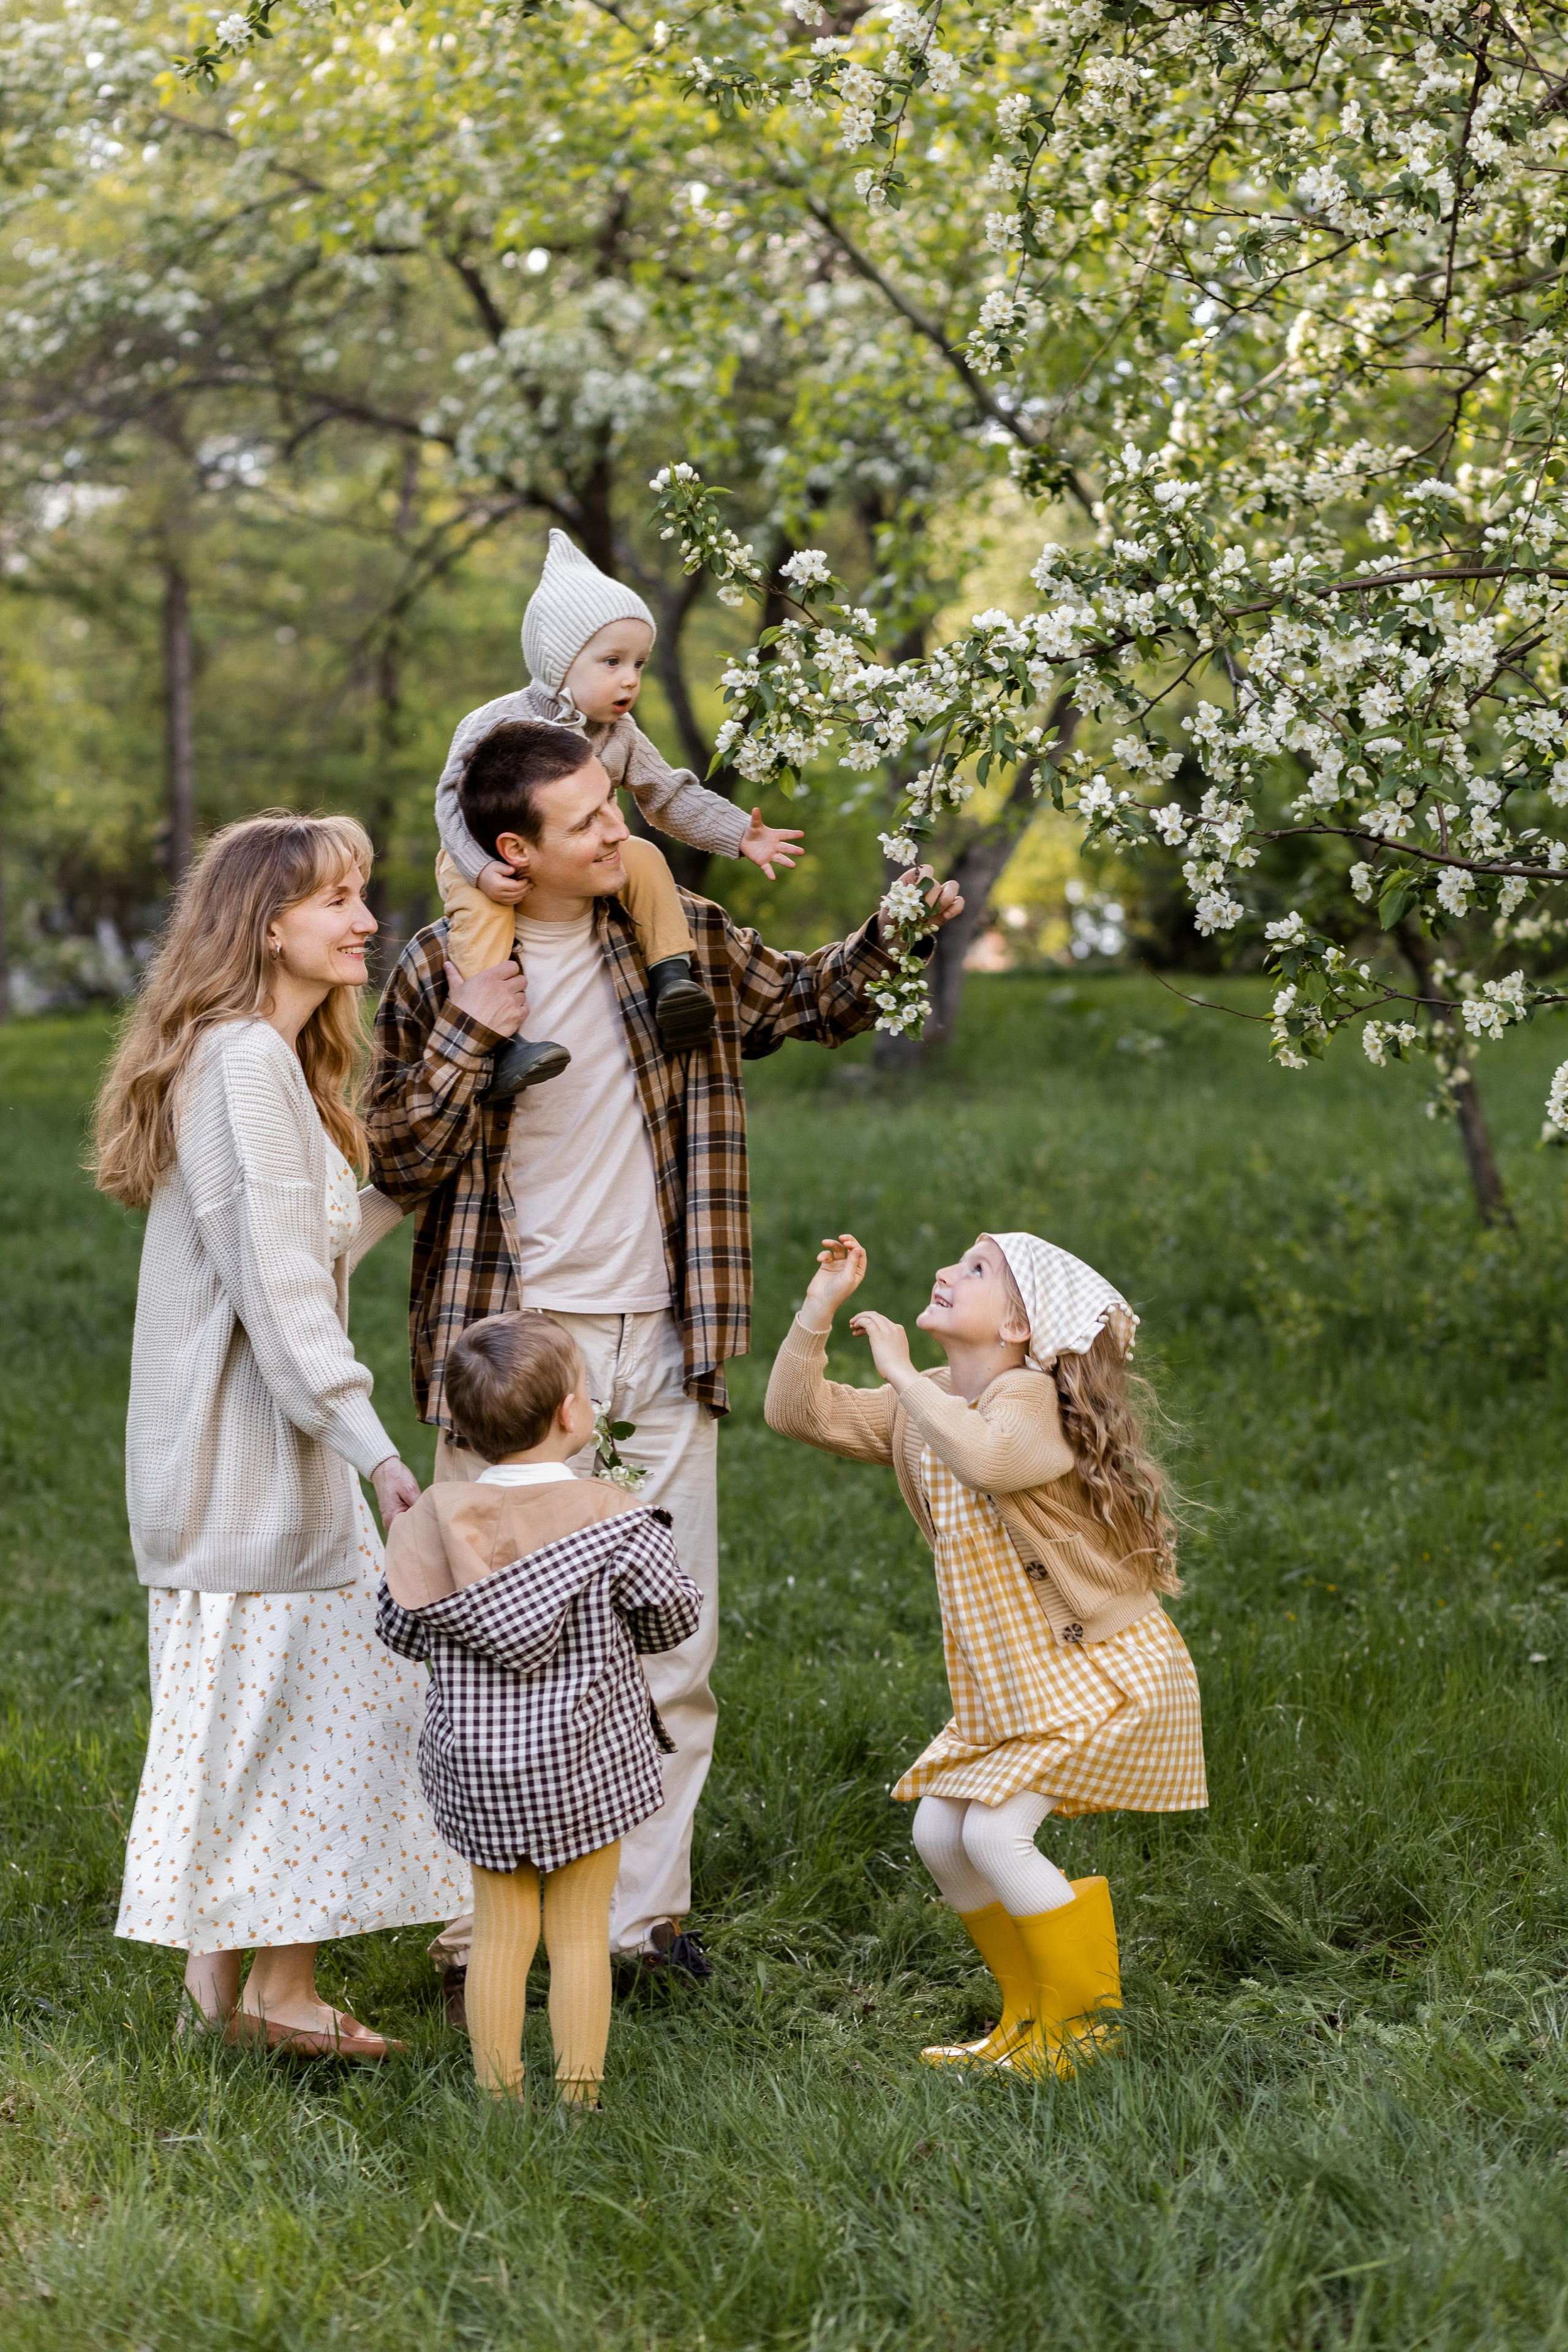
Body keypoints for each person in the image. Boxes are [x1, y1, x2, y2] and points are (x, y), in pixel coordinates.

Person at [367, 718, 963, 1993]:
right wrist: (471, 1030)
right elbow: (399, 1155)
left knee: (667, 1646)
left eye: (613, 804)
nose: (617, 830)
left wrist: (897, 928)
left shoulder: (671, 930)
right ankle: (480, 1937)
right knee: (483, 1650)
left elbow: (804, 998)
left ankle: (635, 1928)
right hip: (512, 1353)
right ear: (513, 851)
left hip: (663, 1339)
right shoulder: (437, 966)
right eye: (587, 820)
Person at [96, 812, 469, 2057]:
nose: (367, 920)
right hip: (258, 1466)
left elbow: (298, 1250)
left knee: (246, 1727)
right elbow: (286, 1297)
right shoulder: (246, 1062)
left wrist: (415, 1171)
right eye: (338, 901)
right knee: (324, 1722)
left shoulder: (248, 1060)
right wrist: (379, 1454)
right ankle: (280, 1996)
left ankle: (218, 2005)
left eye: (363, 894)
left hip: (243, 1464)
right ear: (267, 926)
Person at [764, 1229, 1206, 2078]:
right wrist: (817, 1311)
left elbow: (991, 1459)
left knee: (999, 1837)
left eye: (977, 1270)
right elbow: (798, 1413)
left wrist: (900, 1376)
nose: (946, 1270)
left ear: (1018, 1327)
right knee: (940, 1833)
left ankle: (1083, 2033)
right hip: (1013, 1685)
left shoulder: (1029, 1400)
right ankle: (1027, 2018)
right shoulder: (927, 1400)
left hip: (1096, 1672)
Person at [376, 1311, 702, 2108]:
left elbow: (400, 1630)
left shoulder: (434, 1522)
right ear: (570, 1413)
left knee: (499, 1933)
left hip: (482, 1773)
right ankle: (579, 2102)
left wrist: (409, 1549)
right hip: (587, 1765)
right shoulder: (613, 1519)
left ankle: (501, 2103)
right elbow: (671, 1620)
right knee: (580, 1932)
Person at [435, 527, 805, 1096]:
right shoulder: (498, 722)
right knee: (482, 914)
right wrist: (479, 867)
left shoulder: (620, 734)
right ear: (559, 663)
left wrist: (739, 833)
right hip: (487, 858)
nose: (630, 678)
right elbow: (449, 801)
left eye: (639, 663)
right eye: (611, 661)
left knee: (646, 857)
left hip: (581, 857)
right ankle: (501, 1045)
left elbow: (667, 794)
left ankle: (671, 981)